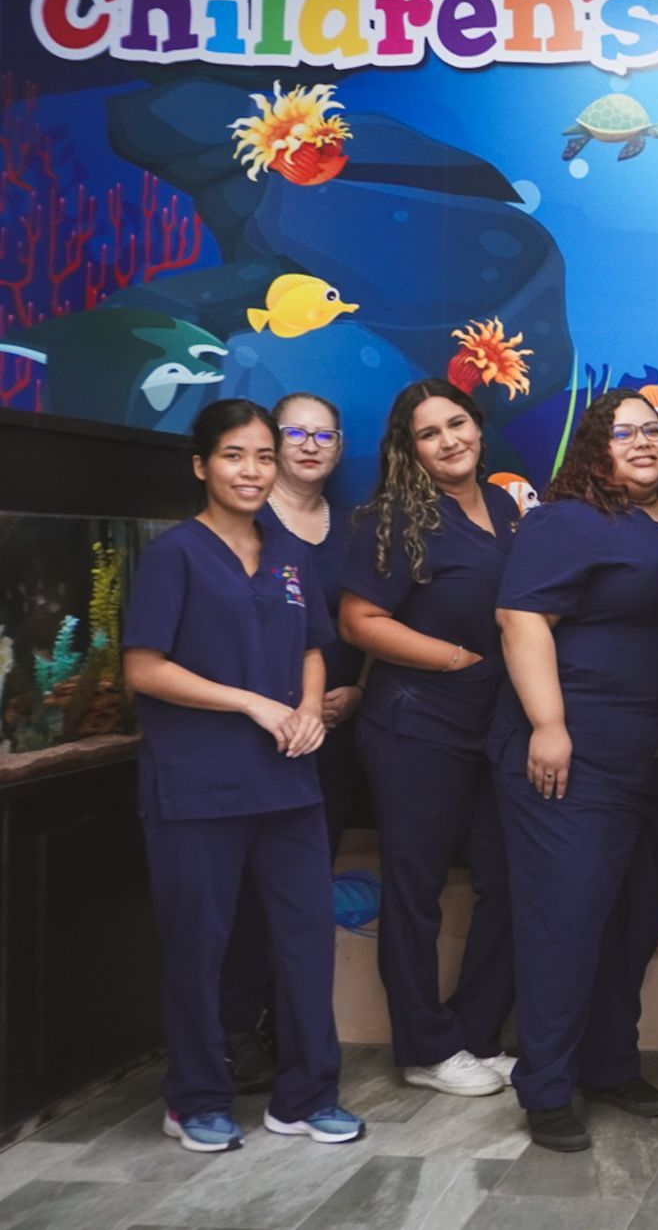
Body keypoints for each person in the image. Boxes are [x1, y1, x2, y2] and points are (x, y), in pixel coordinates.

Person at [123, 399, 365, 1152]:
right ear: (202, 465)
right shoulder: (175, 554)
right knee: (201, 945)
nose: (252, 470)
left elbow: (314, 643)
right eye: (235, 455)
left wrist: (303, 706)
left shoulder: (288, 555)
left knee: (304, 939)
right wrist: (255, 704)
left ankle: (307, 1093)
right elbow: (143, 667)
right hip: (198, 786)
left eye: (264, 455)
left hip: (288, 781)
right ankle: (194, 1097)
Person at [492, 391, 658, 1151]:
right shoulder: (565, 519)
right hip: (573, 758)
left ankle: (611, 1064)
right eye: (623, 433)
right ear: (594, 448)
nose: (642, 442)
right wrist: (548, 723)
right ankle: (546, 1086)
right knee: (564, 924)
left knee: (634, 922)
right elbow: (521, 618)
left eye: (653, 430)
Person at [340, 379, 519, 1097]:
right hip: (416, 726)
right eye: (428, 432)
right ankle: (423, 1047)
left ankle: (474, 1034)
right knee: (412, 891)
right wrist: (452, 658)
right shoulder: (394, 517)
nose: (449, 440)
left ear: (477, 426)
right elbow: (359, 622)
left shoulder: (506, 506)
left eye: (457, 423)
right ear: (407, 448)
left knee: (506, 880)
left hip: (491, 728)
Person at [218, 391, 365, 1095]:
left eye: (324, 434)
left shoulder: (354, 527)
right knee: (244, 887)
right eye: (294, 433)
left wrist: (355, 691)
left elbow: (368, 621)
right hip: (246, 736)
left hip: (332, 736)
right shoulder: (242, 520)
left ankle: (284, 1024)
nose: (310, 444)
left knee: (303, 887)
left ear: (339, 446)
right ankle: (235, 1028)